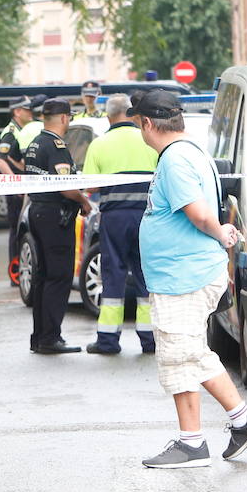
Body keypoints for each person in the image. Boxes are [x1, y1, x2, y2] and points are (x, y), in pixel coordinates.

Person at [132, 89, 247, 468]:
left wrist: (219, 231)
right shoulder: (191, 152)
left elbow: (198, 212)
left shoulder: (175, 160)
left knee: (184, 351)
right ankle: (193, 440)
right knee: (180, 353)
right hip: (184, 272)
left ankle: (240, 420)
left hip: (184, 274)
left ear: (146, 123)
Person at [80, 93, 158, 354]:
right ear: (131, 112)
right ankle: (150, 340)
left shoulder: (99, 145)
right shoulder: (148, 139)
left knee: (112, 275)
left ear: (107, 116)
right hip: (147, 217)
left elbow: (90, 186)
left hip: (114, 218)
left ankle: (108, 341)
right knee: (146, 276)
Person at [23, 97, 91, 354]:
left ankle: (40, 336)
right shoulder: (56, 146)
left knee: (43, 276)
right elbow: (66, 186)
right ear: (64, 118)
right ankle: (51, 337)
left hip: (39, 213)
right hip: (55, 216)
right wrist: (83, 200)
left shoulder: (34, 144)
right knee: (59, 276)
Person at [0, 96, 34, 284]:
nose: (31, 112)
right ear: (17, 111)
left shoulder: (21, 130)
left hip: (21, 186)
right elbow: (0, 160)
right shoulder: (11, 132)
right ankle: (15, 273)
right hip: (16, 189)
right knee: (16, 231)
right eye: (27, 109)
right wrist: (16, 182)